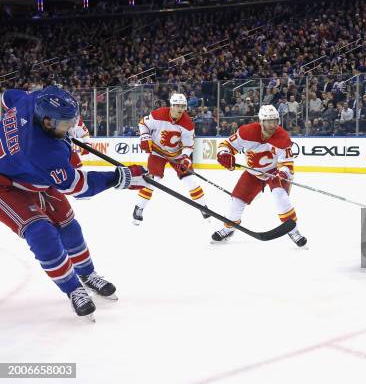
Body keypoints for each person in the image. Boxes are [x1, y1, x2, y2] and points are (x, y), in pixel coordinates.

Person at [0, 86, 145, 319]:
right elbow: (78, 187)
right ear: (46, 122)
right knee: (41, 233)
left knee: (68, 225)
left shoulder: (35, 99)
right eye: (64, 125)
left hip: (32, 175)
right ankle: (73, 288)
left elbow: (7, 96)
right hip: (6, 186)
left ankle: (87, 274)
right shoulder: (42, 153)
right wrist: (120, 177)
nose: (69, 128)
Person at [213, 105, 306, 247]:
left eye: (275, 121)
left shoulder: (282, 137)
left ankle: (294, 231)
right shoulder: (246, 132)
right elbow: (226, 145)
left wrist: (282, 173)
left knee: (280, 196)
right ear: (261, 121)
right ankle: (229, 228)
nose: (273, 125)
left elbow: (287, 164)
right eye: (269, 121)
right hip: (252, 172)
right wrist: (224, 153)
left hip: (274, 173)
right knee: (236, 201)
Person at [133, 93, 209, 225]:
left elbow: (188, 145)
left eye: (183, 106)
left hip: (177, 155)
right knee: (151, 180)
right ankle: (139, 208)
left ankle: (203, 207)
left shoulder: (188, 124)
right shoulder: (158, 114)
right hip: (157, 152)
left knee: (190, 181)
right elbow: (143, 124)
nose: (180, 109)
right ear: (171, 106)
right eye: (177, 106)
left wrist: (185, 159)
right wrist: (145, 136)